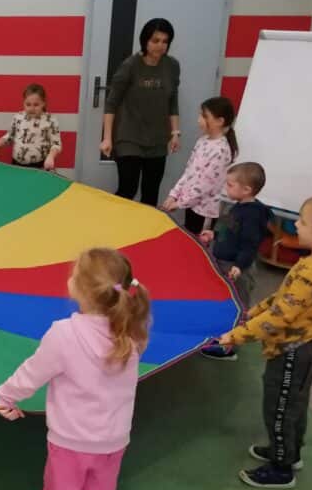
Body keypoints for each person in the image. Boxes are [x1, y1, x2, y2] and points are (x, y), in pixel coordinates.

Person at [0, 248, 150, 490]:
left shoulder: (65, 334)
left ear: (79, 288)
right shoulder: (131, 330)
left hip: (71, 442)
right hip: (113, 440)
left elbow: (33, 372)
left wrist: (7, 396)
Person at [216, 195, 312, 489]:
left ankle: (281, 469)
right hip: (302, 347)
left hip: (291, 352)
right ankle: (289, 453)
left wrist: (236, 335)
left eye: (303, 222)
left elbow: (280, 316)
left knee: (279, 409)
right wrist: (253, 312)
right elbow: (283, 298)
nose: (297, 225)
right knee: (294, 404)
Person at [100, 18, 181, 206]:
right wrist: (107, 138)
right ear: (145, 40)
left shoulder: (172, 66)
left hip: (157, 140)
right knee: (128, 189)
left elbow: (173, 101)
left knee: (151, 193)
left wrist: (175, 133)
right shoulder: (130, 65)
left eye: (165, 41)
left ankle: (144, 226)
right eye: (155, 40)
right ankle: (112, 222)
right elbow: (111, 104)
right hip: (129, 137)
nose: (160, 46)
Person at [199, 162, 271, 361]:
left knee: (238, 303)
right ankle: (222, 334)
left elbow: (250, 244)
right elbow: (230, 231)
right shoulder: (238, 207)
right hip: (225, 263)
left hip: (236, 268)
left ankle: (228, 347)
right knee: (224, 300)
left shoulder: (253, 214)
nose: (226, 188)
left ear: (246, 189)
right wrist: (213, 235)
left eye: (230, 185)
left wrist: (239, 265)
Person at [162, 96, 237, 235]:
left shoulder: (221, 150)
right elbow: (189, 172)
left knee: (198, 243)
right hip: (191, 205)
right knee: (188, 238)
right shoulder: (202, 141)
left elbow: (204, 186)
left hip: (205, 211)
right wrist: (174, 195)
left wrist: (180, 203)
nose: (199, 120)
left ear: (220, 121)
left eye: (204, 116)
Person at [0, 83, 63, 169]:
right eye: (28, 104)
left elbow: (56, 144)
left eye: (36, 105)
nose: (32, 108)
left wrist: (51, 156)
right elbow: (9, 137)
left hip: (40, 166)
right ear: (23, 103)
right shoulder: (18, 117)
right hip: (17, 164)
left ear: (43, 103)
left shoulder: (51, 120)